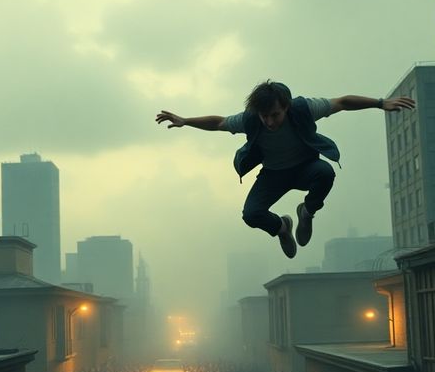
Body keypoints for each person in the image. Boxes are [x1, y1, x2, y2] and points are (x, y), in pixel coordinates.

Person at [155, 81, 415, 258]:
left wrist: (381, 103)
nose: (269, 122)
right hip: (273, 175)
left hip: (305, 168)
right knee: (250, 214)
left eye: (275, 115)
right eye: (264, 116)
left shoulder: (304, 109)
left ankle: (307, 211)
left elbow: (343, 102)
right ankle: (282, 226)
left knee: (325, 172)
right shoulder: (250, 120)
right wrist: (186, 121)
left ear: (286, 107)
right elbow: (220, 122)